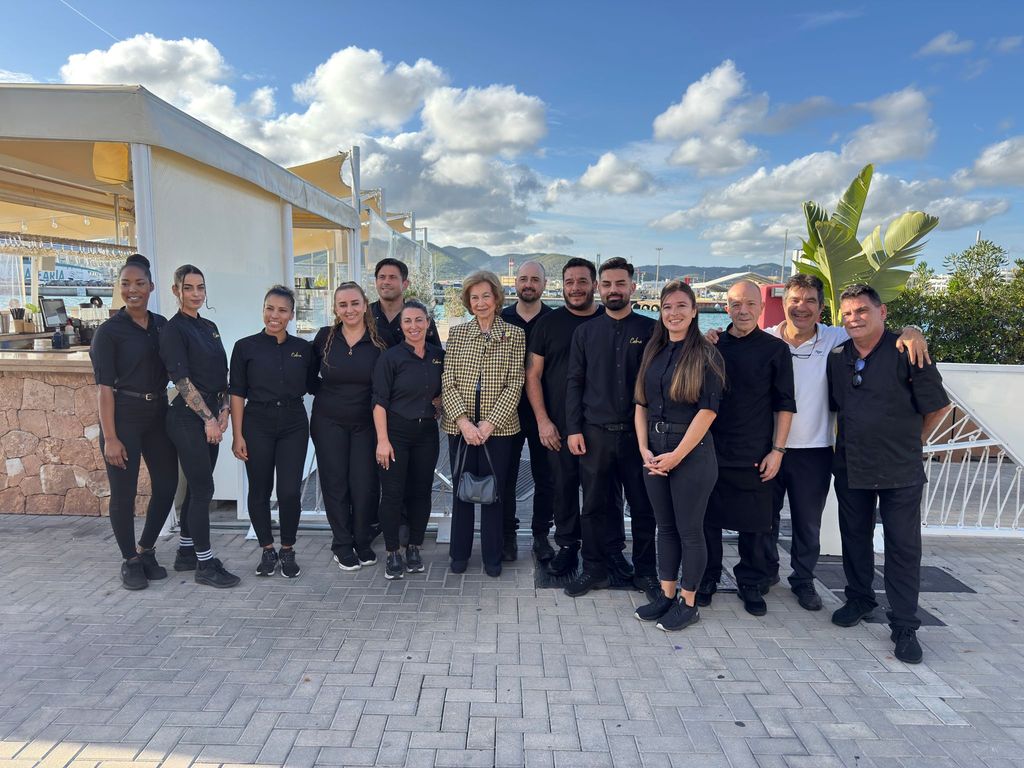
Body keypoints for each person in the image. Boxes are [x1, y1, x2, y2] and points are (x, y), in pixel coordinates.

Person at [760, 274, 930, 611]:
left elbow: (876, 332)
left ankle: (803, 580)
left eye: (810, 301)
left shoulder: (836, 338)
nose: (801, 307)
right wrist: (713, 335)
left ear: (821, 308)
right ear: (783, 303)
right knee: (764, 519)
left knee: (808, 524)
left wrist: (913, 331)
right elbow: (736, 340)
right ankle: (765, 573)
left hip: (816, 448)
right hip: (768, 448)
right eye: (795, 300)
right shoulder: (766, 339)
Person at [827, 283, 949, 664]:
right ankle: (859, 598)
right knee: (854, 538)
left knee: (902, 547)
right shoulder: (838, 357)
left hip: (900, 468)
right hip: (852, 464)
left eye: (862, 311)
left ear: (882, 313)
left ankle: (905, 624)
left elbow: (937, 407)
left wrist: (915, 441)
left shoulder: (907, 350)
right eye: (847, 313)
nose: (854, 319)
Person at [699, 280, 795, 615]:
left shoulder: (775, 350)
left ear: (761, 307)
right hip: (710, 449)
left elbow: (785, 404)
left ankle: (751, 583)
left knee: (755, 526)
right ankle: (706, 578)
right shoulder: (711, 345)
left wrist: (778, 451)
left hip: (755, 452)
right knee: (707, 522)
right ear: (726, 307)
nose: (743, 311)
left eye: (750, 304)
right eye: (736, 304)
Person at [633, 281, 725, 631]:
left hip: (692, 453)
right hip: (654, 452)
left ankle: (688, 602)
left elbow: (707, 412)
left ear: (694, 310)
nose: (674, 313)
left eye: (681, 306)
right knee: (666, 528)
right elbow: (640, 404)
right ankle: (667, 594)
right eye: (667, 307)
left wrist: (676, 456)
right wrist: (644, 448)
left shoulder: (706, 354)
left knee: (690, 530)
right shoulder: (653, 351)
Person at [564, 257, 658, 598]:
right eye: (607, 284)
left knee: (644, 508)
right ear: (598, 288)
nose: (613, 290)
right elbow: (574, 382)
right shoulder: (585, 333)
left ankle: (646, 572)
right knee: (592, 506)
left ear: (632, 287)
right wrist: (573, 429)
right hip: (595, 434)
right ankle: (593, 568)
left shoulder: (652, 330)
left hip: (639, 437)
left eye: (620, 284)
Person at [526, 258, 624, 578]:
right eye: (570, 282)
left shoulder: (610, 320)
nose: (576, 288)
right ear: (562, 286)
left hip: (602, 425)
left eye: (582, 281)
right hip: (558, 426)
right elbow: (532, 375)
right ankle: (568, 547)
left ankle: (612, 550)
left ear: (594, 285)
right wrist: (543, 421)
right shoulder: (547, 324)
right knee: (563, 488)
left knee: (608, 492)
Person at [90, 254, 178, 590]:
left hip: (158, 414)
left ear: (151, 287)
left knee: (167, 485)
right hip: (123, 415)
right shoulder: (109, 332)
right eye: (126, 284)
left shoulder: (162, 325)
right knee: (124, 493)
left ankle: (146, 549)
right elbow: (104, 389)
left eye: (140, 283)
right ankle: (129, 560)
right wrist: (110, 437)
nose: (133, 290)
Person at [441, 270, 525, 578]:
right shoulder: (458, 333)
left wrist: (489, 424)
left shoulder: (514, 334)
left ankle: (492, 556)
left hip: (499, 429)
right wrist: (464, 422)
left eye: (485, 296)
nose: (480, 303)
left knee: (494, 493)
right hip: (459, 428)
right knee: (462, 491)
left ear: (496, 298)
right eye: (474, 297)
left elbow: (515, 383)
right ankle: (459, 554)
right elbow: (447, 381)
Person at [229, 285, 315, 579]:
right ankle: (267, 549)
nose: (274, 315)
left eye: (282, 310)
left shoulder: (303, 349)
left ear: (292, 315)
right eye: (269, 308)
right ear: (263, 310)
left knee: (289, 491)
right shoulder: (245, 347)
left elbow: (316, 385)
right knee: (259, 489)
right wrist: (237, 435)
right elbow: (237, 393)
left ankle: (287, 549)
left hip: (293, 421)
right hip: (257, 422)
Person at [160, 264, 238, 588]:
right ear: (176, 290)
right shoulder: (173, 329)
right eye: (188, 287)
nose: (196, 294)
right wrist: (208, 419)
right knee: (204, 489)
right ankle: (205, 565)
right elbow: (182, 381)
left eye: (200, 287)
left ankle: (186, 552)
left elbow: (221, 373)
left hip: (211, 414)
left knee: (196, 488)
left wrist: (224, 410)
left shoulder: (209, 326)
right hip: (186, 417)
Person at [311, 282, 387, 571]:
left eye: (355, 303)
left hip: (366, 424)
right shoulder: (324, 337)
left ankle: (362, 541)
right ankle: (342, 544)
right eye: (343, 304)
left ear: (365, 305)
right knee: (335, 484)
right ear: (335, 308)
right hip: (328, 422)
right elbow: (310, 378)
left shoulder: (380, 340)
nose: (349, 309)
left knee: (364, 485)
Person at [372, 301, 444, 579]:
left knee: (421, 493)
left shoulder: (439, 356)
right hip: (396, 434)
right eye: (408, 321)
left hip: (427, 434)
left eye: (419, 320)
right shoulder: (390, 358)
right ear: (401, 326)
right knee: (392, 494)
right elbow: (379, 402)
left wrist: (440, 401)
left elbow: (448, 387)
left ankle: (414, 547)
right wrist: (382, 441)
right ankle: (393, 552)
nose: (414, 326)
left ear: (428, 323)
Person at [499, 260, 554, 562]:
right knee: (505, 477)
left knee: (546, 477)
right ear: (515, 283)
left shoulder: (555, 320)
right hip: (505, 412)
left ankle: (541, 536)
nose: (528, 284)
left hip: (545, 412)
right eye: (523, 279)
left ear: (544, 284)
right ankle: (507, 535)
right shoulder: (500, 318)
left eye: (535, 279)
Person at [370, 257, 440, 348]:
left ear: (405, 284)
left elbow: (435, 353)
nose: (386, 282)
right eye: (382, 277)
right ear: (375, 282)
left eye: (392, 277)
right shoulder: (365, 315)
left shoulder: (421, 317)